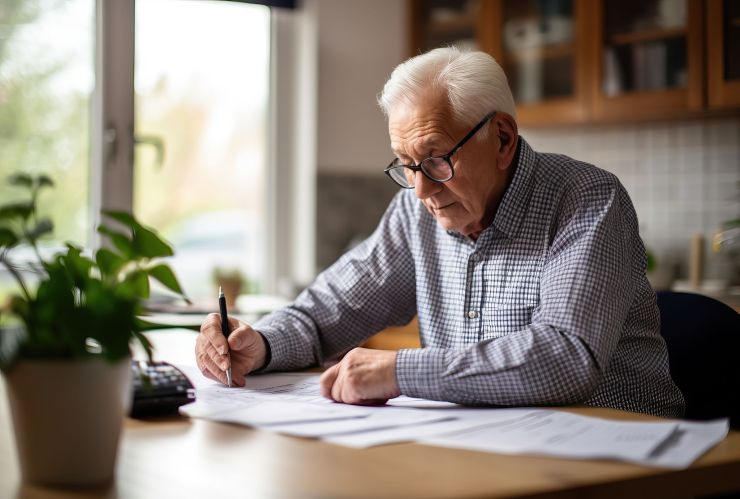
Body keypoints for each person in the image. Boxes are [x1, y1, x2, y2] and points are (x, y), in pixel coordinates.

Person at [196, 47, 685, 418]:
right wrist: (259, 344)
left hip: (620, 448)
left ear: (503, 139)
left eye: (436, 159)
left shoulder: (587, 199)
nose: (421, 189)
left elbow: (565, 357)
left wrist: (399, 371)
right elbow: (325, 313)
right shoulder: (416, 215)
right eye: (407, 165)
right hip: (489, 447)